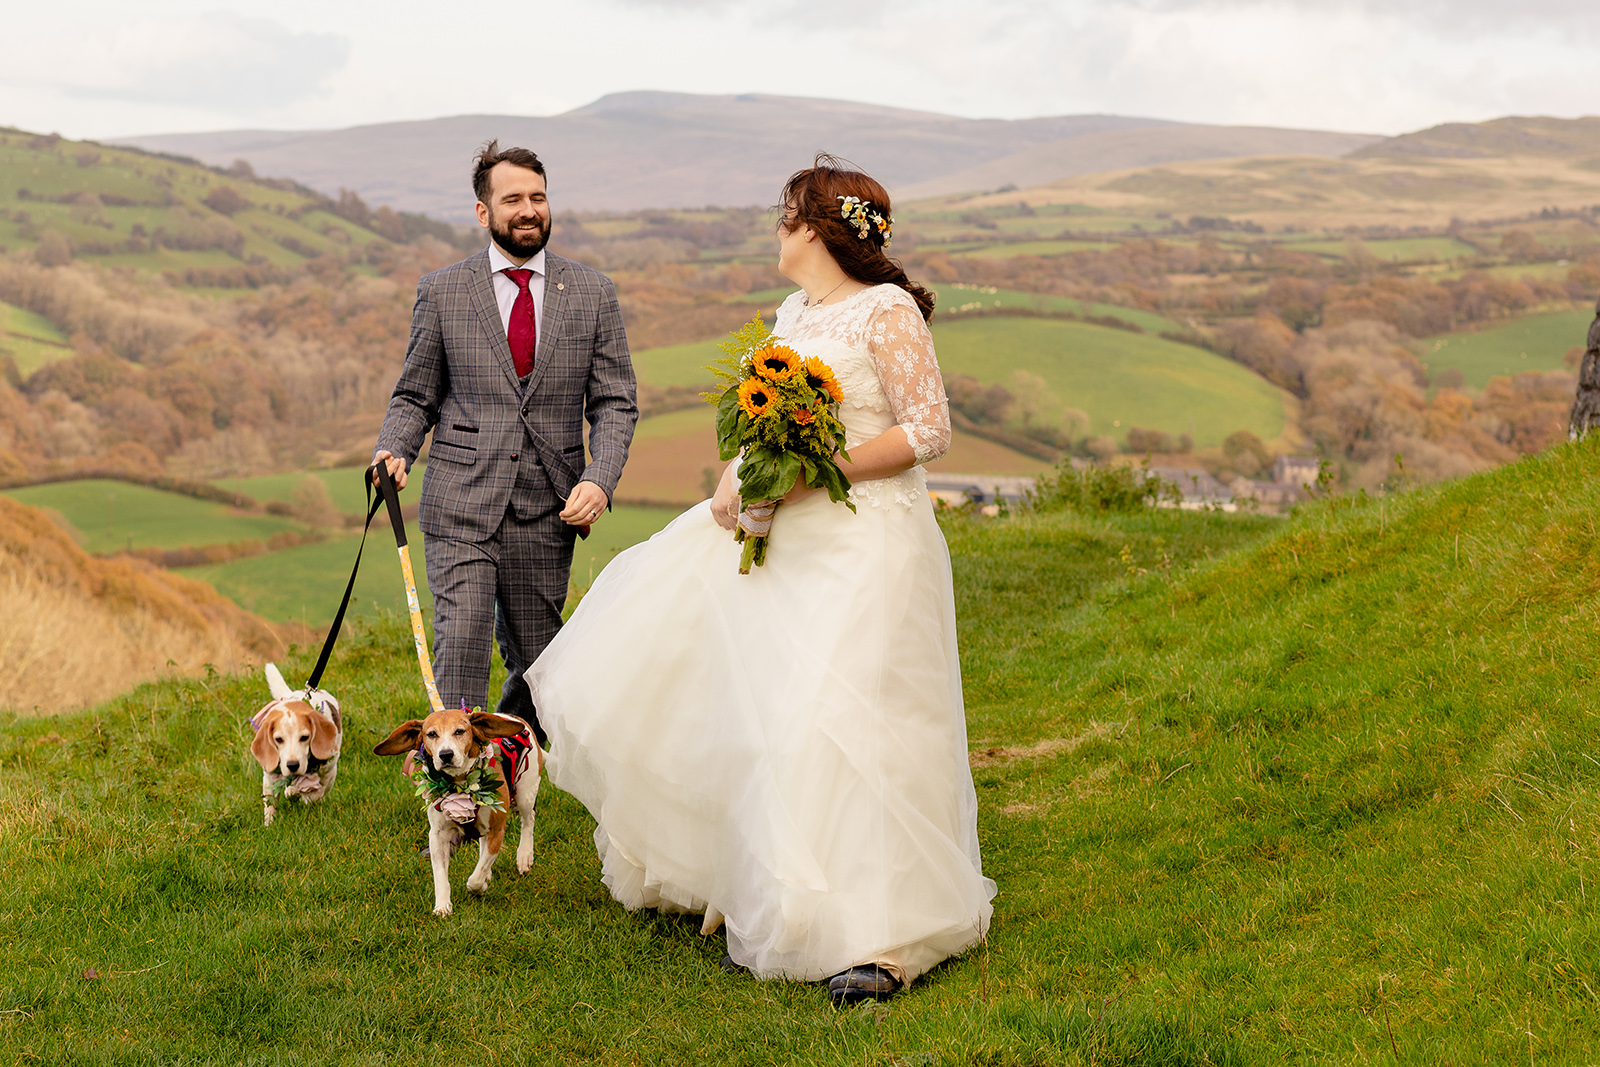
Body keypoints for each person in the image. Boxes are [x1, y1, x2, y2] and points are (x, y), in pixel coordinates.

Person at [526, 156, 995, 1005]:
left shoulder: (886, 312)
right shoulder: (795, 311)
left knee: (852, 718)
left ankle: (888, 931)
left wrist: (818, 475)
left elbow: (930, 430)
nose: (777, 227)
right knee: (771, 711)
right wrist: (738, 477)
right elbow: (768, 418)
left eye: (787, 214)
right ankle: (765, 881)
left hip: (866, 542)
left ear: (816, 227)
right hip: (784, 539)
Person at [373, 141, 637, 742]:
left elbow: (616, 401)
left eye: (538, 197)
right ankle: (455, 800)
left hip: (548, 506)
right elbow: (416, 394)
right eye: (512, 198)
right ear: (483, 211)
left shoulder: (593, 293)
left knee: (539, 659)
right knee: (461, 636)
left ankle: (516, 769)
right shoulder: (442, 291)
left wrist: (599, 477)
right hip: (460, 502)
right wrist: (395, 448)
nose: (528, 210)